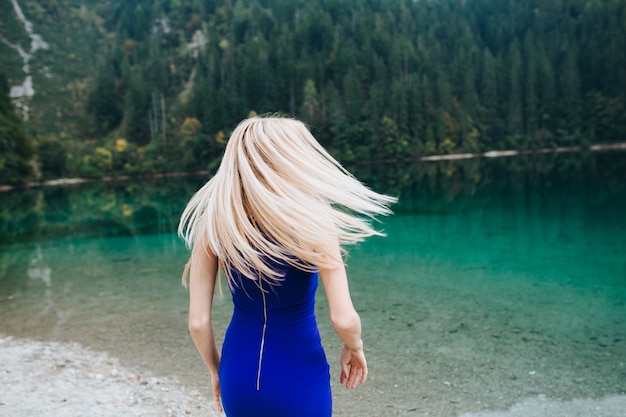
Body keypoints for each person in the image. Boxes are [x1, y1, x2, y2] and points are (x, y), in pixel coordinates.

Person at [178, 116, 395, 416]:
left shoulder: (214, 226)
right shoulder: (315, 222)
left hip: (238, 377)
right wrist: (354, 347)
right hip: (299, 379)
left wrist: (217, 370)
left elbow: (198, 323)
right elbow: (344, 320)